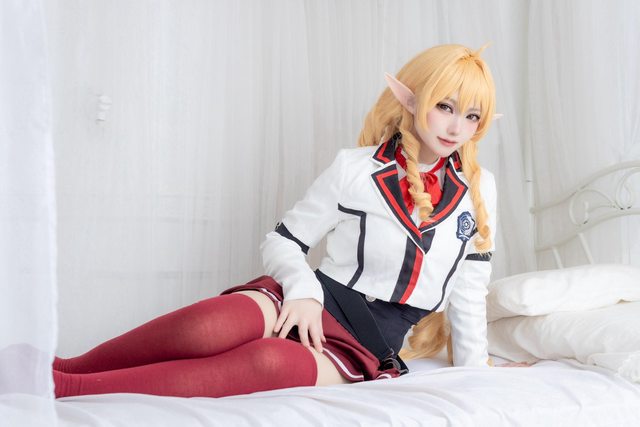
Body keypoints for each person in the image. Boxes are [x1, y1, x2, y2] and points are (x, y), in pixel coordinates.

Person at [53, 43, 500, 399]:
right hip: (313, 296)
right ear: (412, 98)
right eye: (445, 107)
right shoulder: (355, 168)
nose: (455, 127)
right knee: (207, 327)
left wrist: (477, 369)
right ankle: (63, 370)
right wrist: (304, 292)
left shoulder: (480, 190)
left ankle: (70, 390)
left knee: (267, 362)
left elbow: (469, 289)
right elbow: (284, 240)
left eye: (471, 116)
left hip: (369, 340)